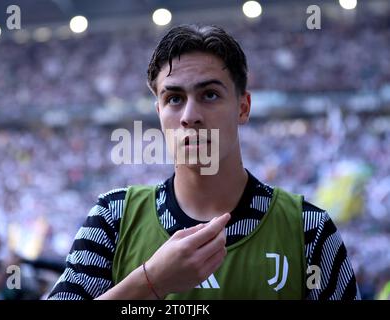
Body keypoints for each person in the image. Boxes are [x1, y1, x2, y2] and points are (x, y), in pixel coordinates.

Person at [48, 24, 360, 300]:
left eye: (209, 95)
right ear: (159, 114)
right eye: (174, 99)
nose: (190, 116)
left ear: (243, 107)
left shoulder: (308, 229)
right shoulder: (113, 219)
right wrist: (150, 281)